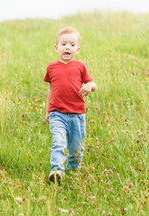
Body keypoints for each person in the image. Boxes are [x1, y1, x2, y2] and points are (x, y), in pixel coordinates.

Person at [44, 26, 97, 183]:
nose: (68, 47)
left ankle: (73, 170)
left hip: (77, 114)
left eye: (72, 45)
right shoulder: (51, 67)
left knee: (76, 148)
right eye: (64, 44)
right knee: (58, 142)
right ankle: (57, 170)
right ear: (56, 48)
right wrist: (48, 111)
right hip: (57, 113)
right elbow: (51, 89)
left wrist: (89, 86)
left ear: (77, 49)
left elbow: (93, 84)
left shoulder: (80, 66)